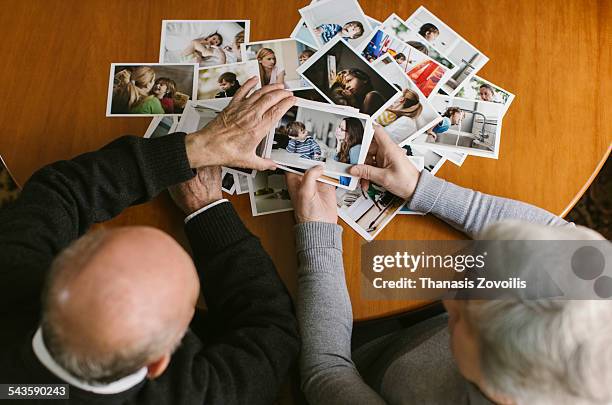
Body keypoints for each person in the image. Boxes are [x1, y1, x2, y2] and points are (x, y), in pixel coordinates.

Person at [0, 78, 301, 404]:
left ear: (56, 267)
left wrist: (196, 148)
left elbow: (61, 191)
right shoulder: (206, 397)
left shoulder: (9, 276)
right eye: (188, 305)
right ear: (158, 362)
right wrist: (206, 210)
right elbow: (273, 332)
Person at [286, 125, 611, 405]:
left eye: (461, 316)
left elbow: (326, 371)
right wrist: (420, 187)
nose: (447, 295)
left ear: (500, 391)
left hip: (362, 357)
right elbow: (560, 237)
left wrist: (318, 237)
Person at [334, 117, 363, 186]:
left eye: (342, 129)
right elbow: (336, 163)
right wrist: (339, 143)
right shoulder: (346, 146)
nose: (337, 130)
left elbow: (354, 178)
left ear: (351, 133)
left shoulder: (356, 149)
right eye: (339, 127)